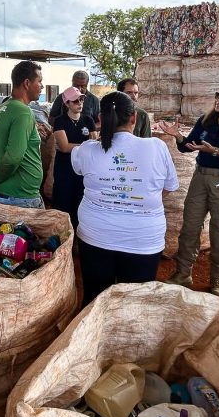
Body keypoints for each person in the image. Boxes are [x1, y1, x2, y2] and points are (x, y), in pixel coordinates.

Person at [71, 91, 179, 306]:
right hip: (143, 240)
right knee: (135, 304)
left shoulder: (86, 149)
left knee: (94, 300)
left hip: (96, 235)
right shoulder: (156, 147)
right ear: (134, 118)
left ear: (100, 119)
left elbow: (80, 171)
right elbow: (167, 189)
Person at [158, 83, 219, 298]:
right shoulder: (206, 120)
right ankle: (183, 273)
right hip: (200, 175)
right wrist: (178, 137)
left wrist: (218, 152)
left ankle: (217, 280)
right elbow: (187, 146)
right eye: (218, 95)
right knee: (190, 224)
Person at [0, 61, 45, 208]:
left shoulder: (0, 110)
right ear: (27, 83)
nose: (42, 86)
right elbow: (14, 157)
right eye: (39, 81)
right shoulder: (23, 112)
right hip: (21, 197)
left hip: (1, 194)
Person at [51, 86, 98, 226]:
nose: (80, 103)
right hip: (64, 169)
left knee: (81, 205)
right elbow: (64, 148)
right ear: (67, 104)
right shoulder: (60, 121)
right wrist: (85, 145)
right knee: (63, 205)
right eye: (75, 101)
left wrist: (74, 146)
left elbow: (93, 145)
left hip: (83, 171)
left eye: (81, 100)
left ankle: (79, 241)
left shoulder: (88, 120)